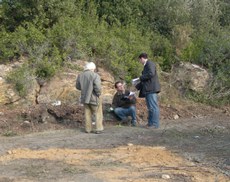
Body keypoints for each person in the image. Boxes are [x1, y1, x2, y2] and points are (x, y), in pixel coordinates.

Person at [76, 62, 104, 134]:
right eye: (94, 69)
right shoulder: (95, 75)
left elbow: (78, 87)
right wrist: (99, 94)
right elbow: (97, 87)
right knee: (98, 113)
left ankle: (88, 129)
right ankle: (98, 129)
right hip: (94, 97)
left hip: (84, 98)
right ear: (92, 68)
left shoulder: (80, 75)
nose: (94, 70)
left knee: (87, 113)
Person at [136, 53, 161, 128]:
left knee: (153, 107)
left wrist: (140, 78)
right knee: (150, 107)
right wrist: (137, 86)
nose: (140, 62)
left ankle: (154, 124)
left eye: (139, 60)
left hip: (151, 89)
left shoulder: (150, 63)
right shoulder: (147, 65)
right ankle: (150, 123)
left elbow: (151, 74)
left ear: (142, 58)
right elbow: (146, 79)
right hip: (148, 89)